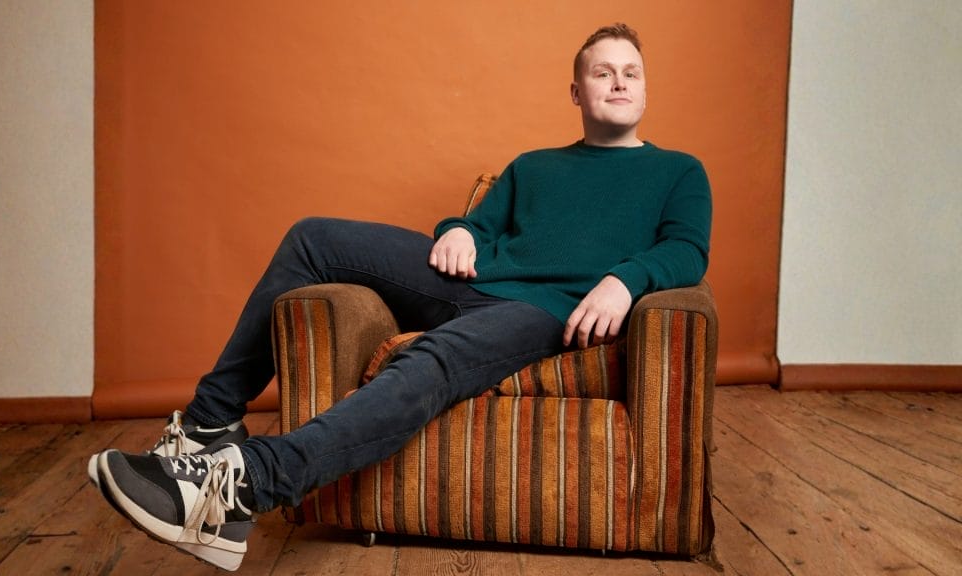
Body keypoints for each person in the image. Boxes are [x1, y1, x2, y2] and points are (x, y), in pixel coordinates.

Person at [88, 22, 711, 571]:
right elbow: (480, 226)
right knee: (313, 238)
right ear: (577, 91)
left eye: (632, 73)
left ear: (646, 88)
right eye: (603, 72)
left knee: (429, 360)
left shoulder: (679, 170)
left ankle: (240, 491)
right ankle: (208, 425)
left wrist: (624, 279)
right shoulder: (533, 165)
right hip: (472, 281)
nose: (620, 82)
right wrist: (461, 229)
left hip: (545, 312)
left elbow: (687, 249)